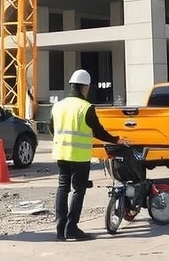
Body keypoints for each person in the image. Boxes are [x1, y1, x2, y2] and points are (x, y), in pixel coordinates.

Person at [51, 68, 122, 241]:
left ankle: (60, 229)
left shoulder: (58, 106)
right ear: (85, 87)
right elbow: (99, 131)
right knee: (78, 190)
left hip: (61, 153)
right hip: (79, 156)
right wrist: (116, 140)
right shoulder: (86, 108)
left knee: (62, 188)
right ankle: (72, 228)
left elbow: (51, 128)